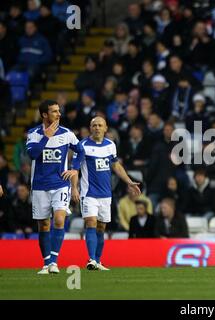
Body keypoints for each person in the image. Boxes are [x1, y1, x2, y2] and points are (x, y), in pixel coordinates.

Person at [71, 117, 141, 270]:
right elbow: (75, 169)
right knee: (91, 223)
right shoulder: (82, 146)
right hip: (89, 193)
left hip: (106, 194)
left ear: (105, 128)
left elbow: (116, 166)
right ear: (90, 128)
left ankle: (97, 260)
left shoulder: (110, 145)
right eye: (94, 125)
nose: (97, 128)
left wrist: (129, 181)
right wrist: (74, 188)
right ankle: (91, 259)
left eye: (100, 125)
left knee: (101, 227)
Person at [26, 100, 82, 274]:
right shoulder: (34, 133)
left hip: (60, 184)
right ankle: (46, 263)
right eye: (54, 111)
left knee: (59, 219)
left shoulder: (67, 133)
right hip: (40, 185)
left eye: (59, 111)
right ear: (44, 115)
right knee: (43, 225)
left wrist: (74, 169)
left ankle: (54, 262)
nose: (58, 114)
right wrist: (46, 136)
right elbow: (32, 154)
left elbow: (81, 150)